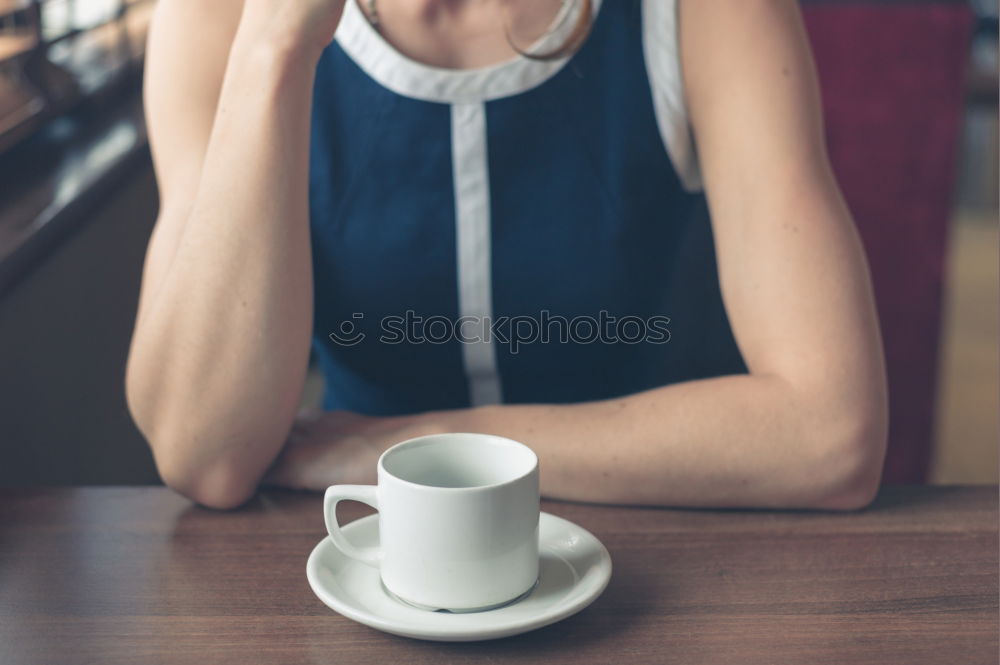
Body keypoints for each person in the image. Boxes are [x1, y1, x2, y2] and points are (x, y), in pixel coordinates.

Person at [125, 0, 888, 511]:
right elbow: (206, 454)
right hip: (359, 542)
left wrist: (408, 448)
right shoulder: (216, 16)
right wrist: (274, 44)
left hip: (648, 523)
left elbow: (834, 431)